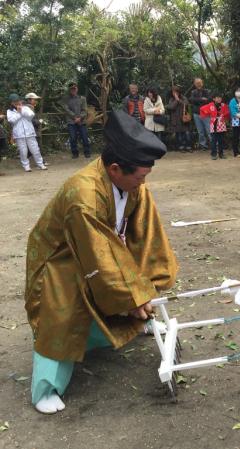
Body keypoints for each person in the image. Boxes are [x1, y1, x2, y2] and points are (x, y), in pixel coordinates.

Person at [25, 110, 178, 414]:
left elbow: (145, 233)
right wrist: (132, 294)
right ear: (116, 168)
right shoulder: (84, 195)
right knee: (63, 309)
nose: (143, 183)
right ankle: (45, 387)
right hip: (60, 259)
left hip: (100, 248)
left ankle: (131, 322)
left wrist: (148, 282)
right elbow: (97, 254)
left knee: (132, 276)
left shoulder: (132, 183)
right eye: (140, 177)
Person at [6, 93, 46, 172]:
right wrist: (18, 113)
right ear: (11, 103)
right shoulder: (9, 111)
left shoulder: (25, 108)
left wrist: (22, 110)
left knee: (35, 149)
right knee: (23, 151)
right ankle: (26, 166)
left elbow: (31, 116)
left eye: (18, 100)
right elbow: (11, 120)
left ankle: (40, 164)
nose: (17, 102)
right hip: (19, 135)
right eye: (15, 101)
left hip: (30, 132)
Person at [61, 82, 91, 159]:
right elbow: (66, 109)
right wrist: (75, 117)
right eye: (72, 89)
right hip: (71, 121)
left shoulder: (82, 98)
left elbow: (85, 110)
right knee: (73, 138)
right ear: (69, 90)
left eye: (74, 89)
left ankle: (87, 152)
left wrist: (80, 117)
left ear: (77, 89)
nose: (73, 90)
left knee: (84, 137)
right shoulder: (66, 99)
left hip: (81, 121)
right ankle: (75, 153)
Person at [201, 93, 230, 160]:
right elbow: (202, 109)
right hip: (213, 123)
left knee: (221, 140)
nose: (219, 99)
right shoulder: (210, 105)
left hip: (221, 123)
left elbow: (227, 113)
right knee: (213, 140)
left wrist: (224, 117)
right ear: (214, 99)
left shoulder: (223, 105)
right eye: (217, 97)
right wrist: (208, 115)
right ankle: (213, 154)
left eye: (220, 97)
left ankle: (221, 154)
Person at [167, 85, 192, 151]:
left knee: (187, 133)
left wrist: (179, 100)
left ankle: (188, 146)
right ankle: (181, 146)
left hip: (184, 119)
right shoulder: (171, 99)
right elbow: (171, 107)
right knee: (179, 134)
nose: (175, 93)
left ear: (178, 92)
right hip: (176, 119)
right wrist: (176, 100)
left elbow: (186, 104)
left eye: (176, 92)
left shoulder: (183, 97)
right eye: (173, 92)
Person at [189, 78, 211, 150]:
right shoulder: (193, 92)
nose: (199, 84)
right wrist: (201, 99)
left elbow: (208, 100)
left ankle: (213, 144)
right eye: (197, 83)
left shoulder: (207, 91)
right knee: (200, 131)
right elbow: (192, 100)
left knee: (209, 130)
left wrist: (197, 100)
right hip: (197, 114)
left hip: (206, 114)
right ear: (194, 84)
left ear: (202, 83)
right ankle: (203, 145)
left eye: (200, 82)